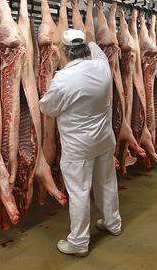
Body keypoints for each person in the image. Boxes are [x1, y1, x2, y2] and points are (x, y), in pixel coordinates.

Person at [39, 28, 122, 257]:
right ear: (84, 48)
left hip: (79, 146)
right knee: (106, 182)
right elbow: (95, 47)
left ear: (65, 52)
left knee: (79, 191)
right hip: (104, 139)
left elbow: (48, 107)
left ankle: (78, 242)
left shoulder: (64, 79)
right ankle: (112, 222)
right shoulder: (101, 66)